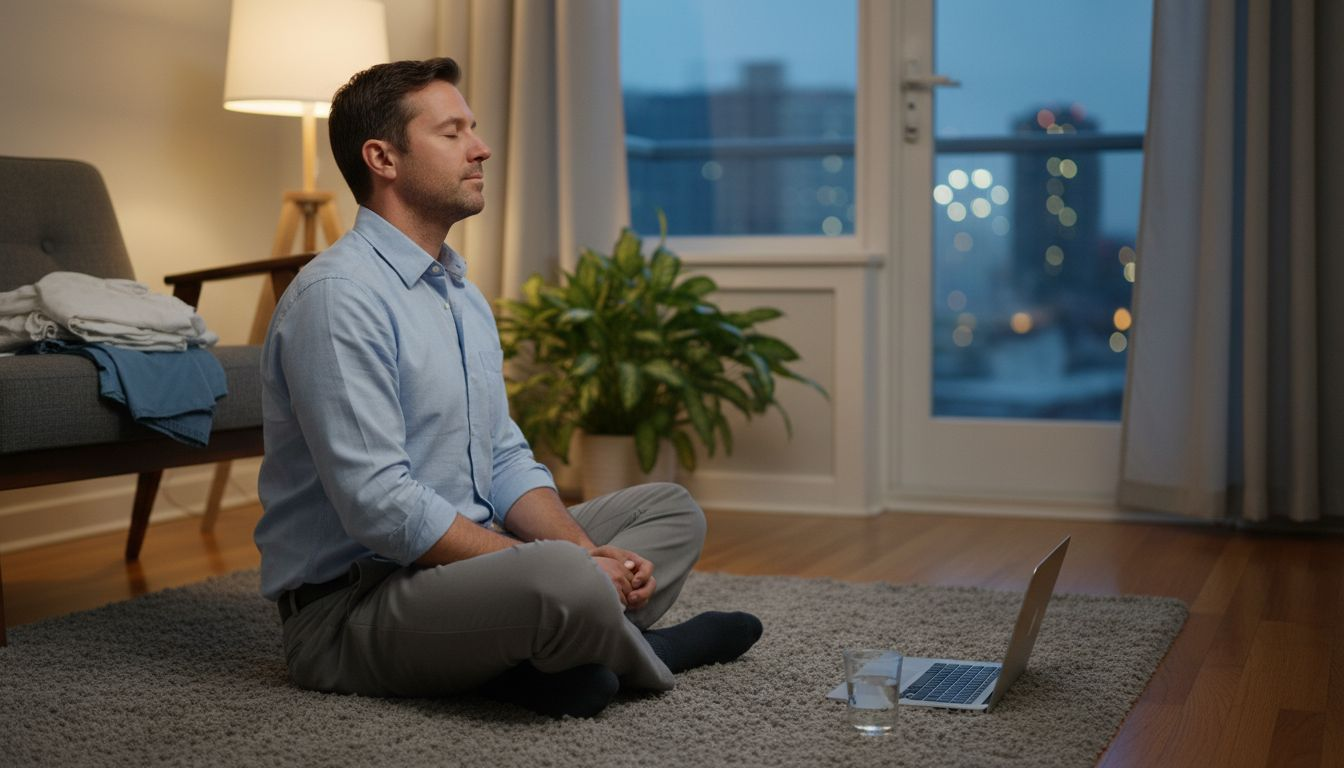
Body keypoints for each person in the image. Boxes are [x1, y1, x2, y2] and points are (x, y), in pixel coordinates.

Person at [253, 57, 762, 719]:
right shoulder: (337, 298)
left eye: (475, 128)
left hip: (463, 570)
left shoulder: (460, 296)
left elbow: (501, 458)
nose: (481, 147)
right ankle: (651, 651)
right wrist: (561, 567)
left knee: (670, 512)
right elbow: (380, 506)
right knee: (558, 578)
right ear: (383, 158)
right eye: (453, 132)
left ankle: (545, 662)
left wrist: (586, 552)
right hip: (352, 609)